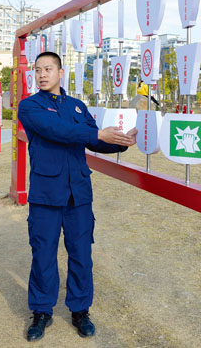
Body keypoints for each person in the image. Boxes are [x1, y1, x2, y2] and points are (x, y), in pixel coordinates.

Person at [18, 51, 137, 342]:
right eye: (38, 70)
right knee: (43, 255)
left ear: (61, 72)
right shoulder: (29, 106)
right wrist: (97, 136)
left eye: (48, 69)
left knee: (82, 255)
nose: (42, 74)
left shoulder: (77, 107)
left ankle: (80, 310)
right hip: (46, 195)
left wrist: (122, 143)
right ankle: (42, 311)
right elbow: (57, 131)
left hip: (78, 195)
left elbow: (94, 139)